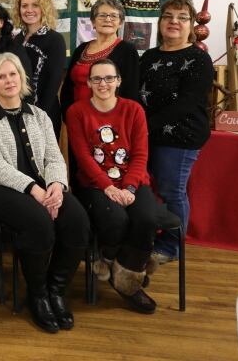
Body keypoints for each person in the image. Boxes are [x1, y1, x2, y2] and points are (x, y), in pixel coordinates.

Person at [0, 53, 89, 333]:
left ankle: (56, 291)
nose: (8, 80)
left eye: (13, 74)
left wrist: (57, 186)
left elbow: (54, 156)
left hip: (44, 186)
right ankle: (37, 296)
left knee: (77, 222)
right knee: (39, 225)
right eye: (1, 76)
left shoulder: (40, 115)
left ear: (22, 78)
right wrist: (34, 190)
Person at [66, 59, 160, 314]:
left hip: (133, 181)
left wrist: (128, 188)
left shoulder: (133, 110)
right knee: (115, 221)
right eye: (96, 79)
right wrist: (108, 187)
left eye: (109, 78)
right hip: (96, 184)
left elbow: (141, 154)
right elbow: (83, 158)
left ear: (119, 81)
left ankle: (124, 275)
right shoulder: (77, 112)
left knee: (147, 219)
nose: (103, 84)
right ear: (88, 83)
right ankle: (129, 276)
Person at [139, 0, 214, 264]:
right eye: (168, 16)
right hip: (148, 135)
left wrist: (144, 127)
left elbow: (187, 103)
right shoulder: (149, 56)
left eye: (182, 18)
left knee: (172, 191)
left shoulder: (198, 59)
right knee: (146, 191)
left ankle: (171, 245)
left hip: (180, 138)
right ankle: (148, 237)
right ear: (160, 22)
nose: (174, 22)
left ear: (192, 24)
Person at [61, 0, 139, 117]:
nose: (108, 19)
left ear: (120, 23)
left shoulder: (127, 50)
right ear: (93, 22)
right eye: (102, 15)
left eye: (113, 16)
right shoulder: (81, 49)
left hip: (109, 120)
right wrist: (68, 115)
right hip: (75, 117)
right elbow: (68, 87)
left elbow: (130, 92)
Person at [12, 0, 67, 137]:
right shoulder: (17, 39)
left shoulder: (55, 39)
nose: (29, 10)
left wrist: (38, 115)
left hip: (44, 113)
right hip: (17, 112)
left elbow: (53, 81)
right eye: (24, 6)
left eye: (35, 5)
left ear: (44, 8)